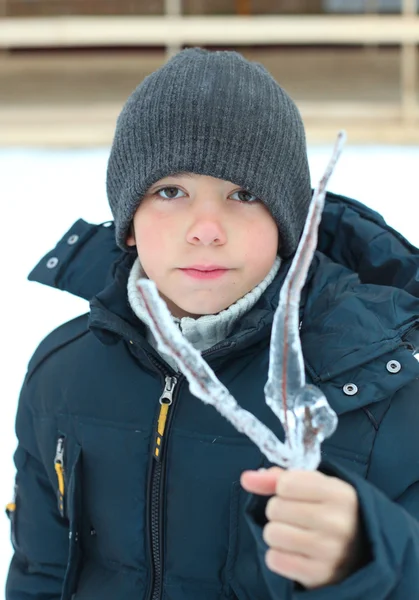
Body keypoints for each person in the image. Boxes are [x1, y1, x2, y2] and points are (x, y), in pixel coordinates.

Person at [5, 48, 419, 600]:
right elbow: (41, 573)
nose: (206, 229)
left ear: (288, 223)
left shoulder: (381, 386)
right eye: (170, 191)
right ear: (127, 224)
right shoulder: (63, 372)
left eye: (243, 194)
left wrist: (370, 556)